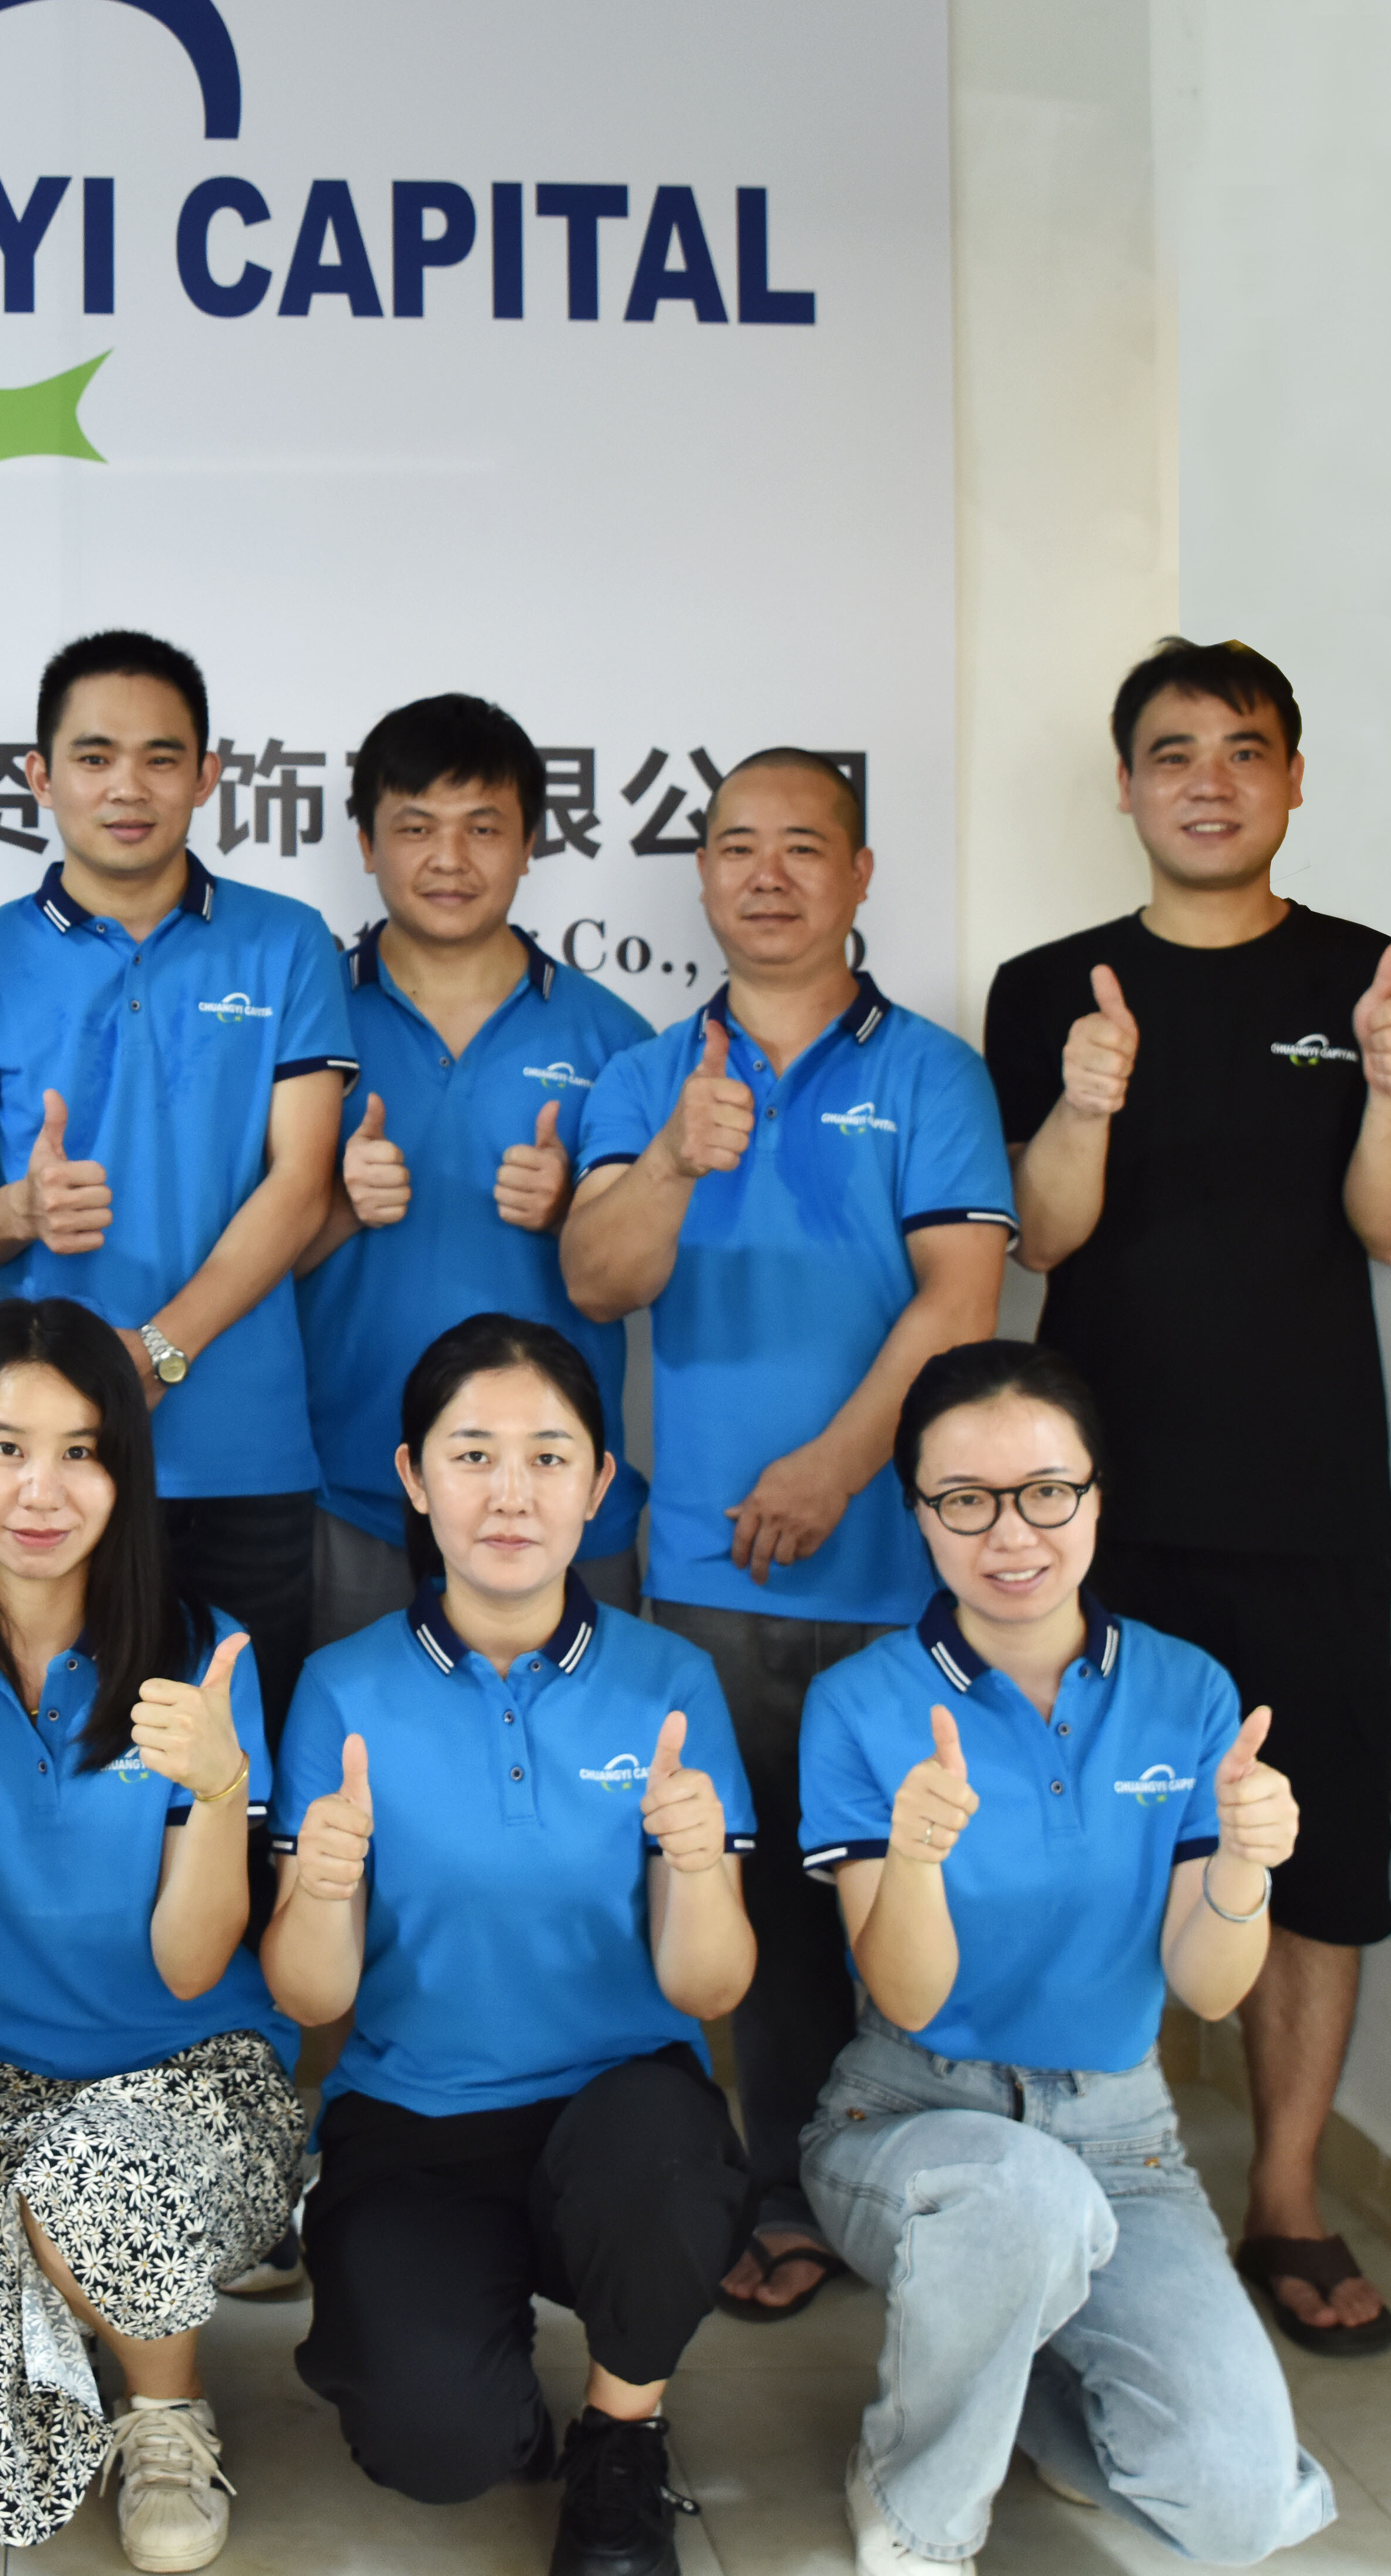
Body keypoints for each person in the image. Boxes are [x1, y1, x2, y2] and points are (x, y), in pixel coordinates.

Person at [981, 637, 1391, 2355]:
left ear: (1292, 780)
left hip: (1309, 1499)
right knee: (1089, 1838)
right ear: (1124, 785)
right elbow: (1043, 1237)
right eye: (1172, 752)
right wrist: (1079, 1105)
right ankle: (1086, 2176)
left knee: (1309, 1857)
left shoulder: (1371, 977)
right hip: (1094, 1511)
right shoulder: (1050, 986)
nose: (1207, 781)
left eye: (1242, 751)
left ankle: (1286, 2198)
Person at [558, 750, 1011, 2323]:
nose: (766, 875)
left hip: (902, 1570)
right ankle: (759, 2193)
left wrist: (831, 1465)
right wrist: (674, 1159)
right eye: (735, 846)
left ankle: (909, 2183)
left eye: (802, 846)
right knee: (724, 1897)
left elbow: (963, 1300)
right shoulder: (644, 1078)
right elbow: (600, 1281)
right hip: (702, 1568)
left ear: (858, 873)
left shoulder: (934, 1074)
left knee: (894, 1900)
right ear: (698, 876)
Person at [800, 1340, 1336, 2570]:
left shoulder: (1187, 1690)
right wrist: (914, 1856)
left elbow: (1208, 1986)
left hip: (1122, 2136)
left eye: (1047, 1491)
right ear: (918, 1512)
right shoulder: (863, 1703)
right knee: (1018, 2200)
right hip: (911, 2114)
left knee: (1233, 2507)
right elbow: (907, 1994)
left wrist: (1245, 1866)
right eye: (965, 1500)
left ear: (1096, 1494)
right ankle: (913, 2508)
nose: (1012, 1534)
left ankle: (1019, 2380)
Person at [266, 1315, 759, 2576]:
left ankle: (620, 2437)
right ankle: (476, 2374)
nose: (510, 1493)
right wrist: (319, 1884)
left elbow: (708, 1985)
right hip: (415, 2119)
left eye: (548, 1457)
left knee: (662, 2162)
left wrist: (700, 1864)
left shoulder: (670, 1682)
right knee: (436, 2444)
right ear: (414, 1477)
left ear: (599, 1485)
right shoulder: (340, 1688)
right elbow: (309, 1996)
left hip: (619, 2111)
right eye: (472, 1454)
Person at [0, 1299, 295, 2570]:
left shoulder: (204, 1656)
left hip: (199, 2076)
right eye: (6, 1447)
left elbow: (190, 1966)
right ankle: (94, 2278)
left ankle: (165, 2406)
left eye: (82, 1451)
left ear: (125, 1473)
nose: (42, 1489)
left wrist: (218, 1792)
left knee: (95, 2183)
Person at [0, 631, 353, 1735]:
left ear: (207, 777)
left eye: (162, 758)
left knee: (240, 1774)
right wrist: (17, 1210)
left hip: (246, 1448)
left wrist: (155, 1353)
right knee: (63, 1766)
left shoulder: (288, 944)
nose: (128, 787)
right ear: (40, 775)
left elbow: (302, 1184)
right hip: (46, 1465)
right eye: (94, 756)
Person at [295, 693, 657, 1634]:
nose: (449, 860)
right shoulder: (305, 1020)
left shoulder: (616, 1039)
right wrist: (334, 1202)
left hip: (559, 1511)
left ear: (530, 843)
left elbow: (648, 1276)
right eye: (416, 828)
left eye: (483, 828)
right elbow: (227, 1260)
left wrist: (577, 1214)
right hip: (347, 1496)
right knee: (342, 1730)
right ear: (366, 843)